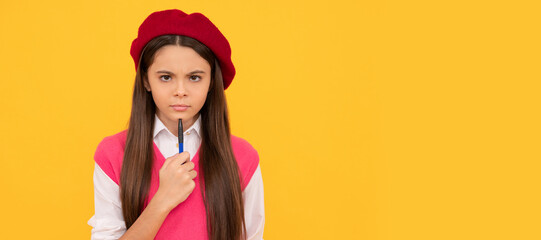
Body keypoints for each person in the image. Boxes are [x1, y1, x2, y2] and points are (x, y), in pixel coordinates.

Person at [87, 9, 265, 240]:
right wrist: (162, 200)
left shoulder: (242, 157)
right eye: (166, 77)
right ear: (145, 79)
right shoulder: (112, 154)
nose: (180, 91)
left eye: (194, 77)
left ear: (212, 81)